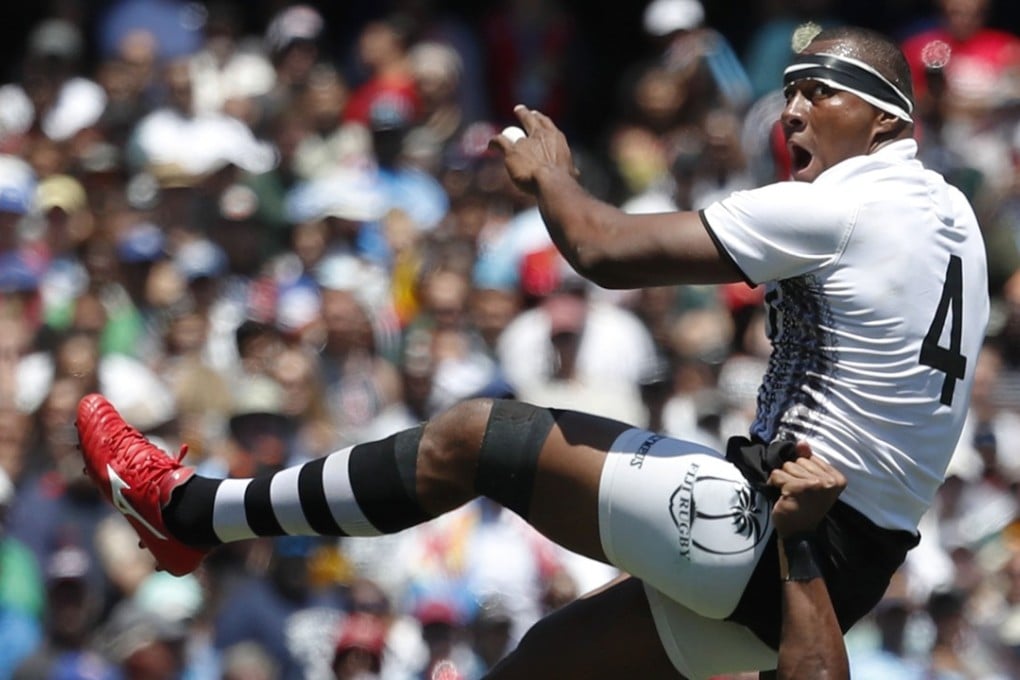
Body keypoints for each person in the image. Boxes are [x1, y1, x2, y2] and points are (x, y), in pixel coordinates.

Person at [76, 26, 989, 679]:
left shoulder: (847, 203)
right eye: (788, 88)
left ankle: (191, 513)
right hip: (851, 571)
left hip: (778, 527)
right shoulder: (960, 223)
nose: (791, 110)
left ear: (883, 120)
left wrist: (551, 174)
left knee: (471, 438)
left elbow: (602, 249)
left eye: (818, 91)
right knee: (540, 667)